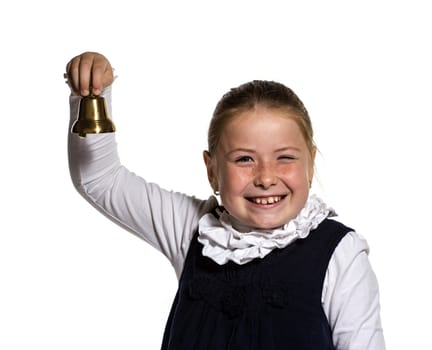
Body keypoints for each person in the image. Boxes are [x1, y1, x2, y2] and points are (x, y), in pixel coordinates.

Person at [66, 52, 386, 350]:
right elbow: (100, 180)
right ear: (212, 170)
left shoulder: (340, 253)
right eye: (244, 159)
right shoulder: (194, 230)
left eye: (285, 157)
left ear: (310, 163)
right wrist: (93, 95)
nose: (265, 177)